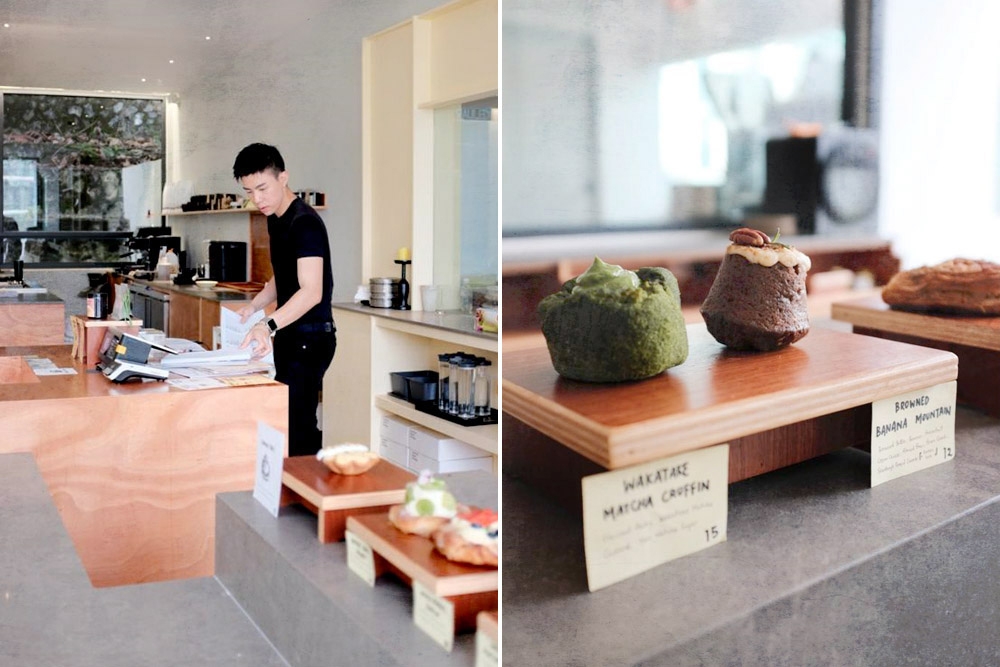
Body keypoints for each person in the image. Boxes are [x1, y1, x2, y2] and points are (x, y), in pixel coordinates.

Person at [232, 143, 336, 458]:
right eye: (250, 191)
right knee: (287, 421)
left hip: (312, 337)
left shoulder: (304, 222)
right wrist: (254, 305)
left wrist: (267, 322)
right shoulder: (275, 217)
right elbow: (284, 276)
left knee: (298, 425)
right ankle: (294, 493)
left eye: (263, 188)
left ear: (284, 177)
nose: (257, 198)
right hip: (292, 335)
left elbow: (311, 290)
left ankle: (311, 498)